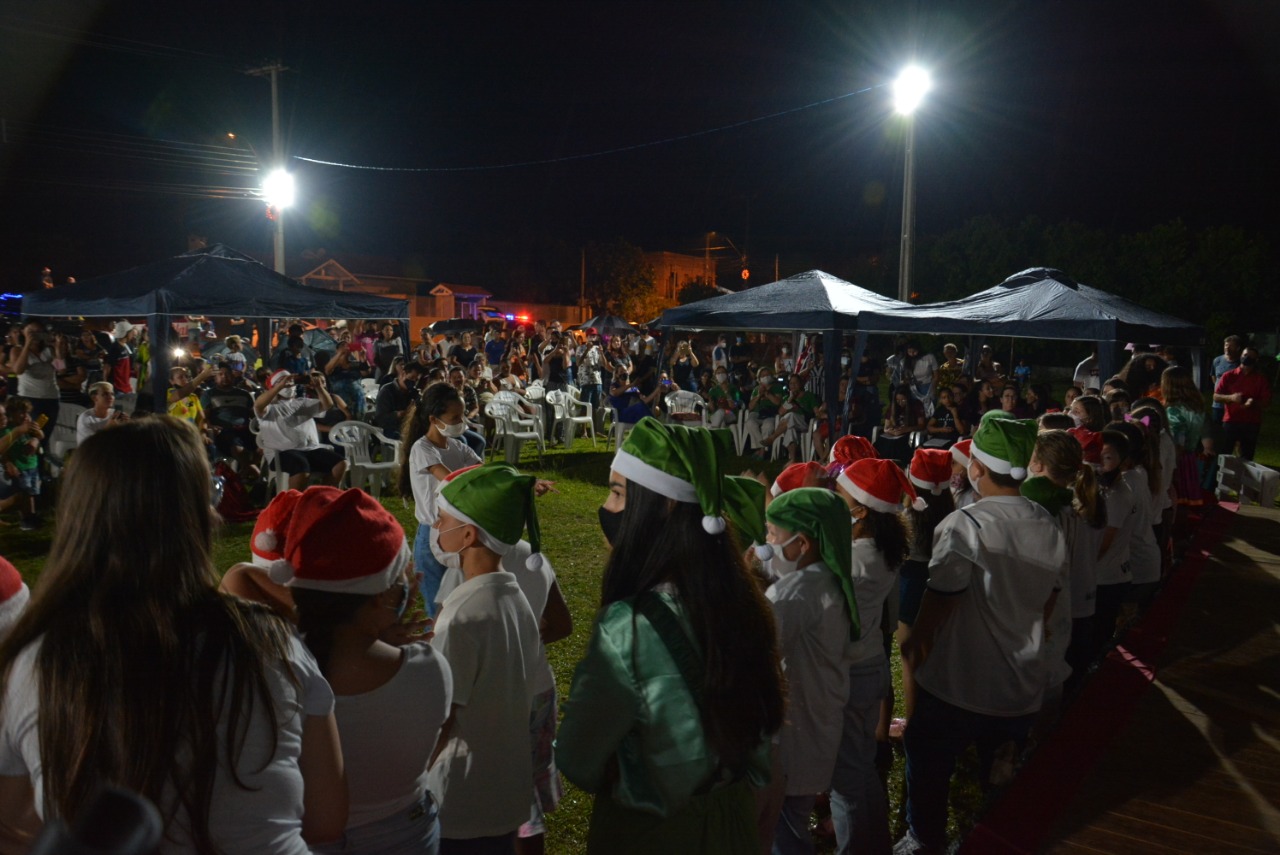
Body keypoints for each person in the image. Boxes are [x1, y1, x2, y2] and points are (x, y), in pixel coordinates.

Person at [0, 417, 347, 852]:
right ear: (194, 518)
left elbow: (13, 826)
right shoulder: (270, 641)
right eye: (211, 494)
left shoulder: (34, 660)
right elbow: (327, 819)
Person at [557, 418, 785, 853]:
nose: (607, 506)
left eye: (619, 492)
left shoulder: (629, 627)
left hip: (652, 831)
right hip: (732, 824)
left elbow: (578, 759)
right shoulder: (745, 604)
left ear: (662, 506)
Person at [896, 418, 1067, 855]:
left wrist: (917, 643)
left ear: (977, 468)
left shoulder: (964, 525)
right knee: (997, 776)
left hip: (959, 680)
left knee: (929, 761)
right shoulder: (1047, 522)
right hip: (1020, 681)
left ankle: (924, 837)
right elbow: (1048, 598)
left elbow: (940, 603)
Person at [272, 486, 452, 855]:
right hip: (406, 836)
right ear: (384, 597)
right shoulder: (428, 670)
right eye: (404, 577)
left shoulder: (274, 671)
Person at [427, 464, 545, 852]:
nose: (436, 526)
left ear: (468, 534)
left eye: (441, 519)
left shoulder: (463, 616)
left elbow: (441, 718)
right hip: (504, 794)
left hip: (462, 801)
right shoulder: (514, 598)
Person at [757, 487, 857, 854]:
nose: (766, 542)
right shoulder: (829, 580)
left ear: (802, 544)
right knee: (791, 821)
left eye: (772, 533)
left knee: (783, 833)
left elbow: (759, 654)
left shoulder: (795, 593)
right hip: (819, 726)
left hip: (793, 738)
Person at [831, 459, 918, 855]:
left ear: (861, 509)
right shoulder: (880, 549)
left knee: (845, 782)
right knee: (862, 768)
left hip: (849, 674)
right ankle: (877, 843)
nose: (835, 499)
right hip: (871, 668)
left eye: (841, 495)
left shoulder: (855, 559)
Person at [400, 382, 483, 616]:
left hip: (460, 533)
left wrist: (525, 482)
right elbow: (450, 481)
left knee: (462, 603)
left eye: (463, 415)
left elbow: (485, 473)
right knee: (437, 609)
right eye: (455, 417)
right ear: (434, 419)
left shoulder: (459, 447)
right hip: (432, 535)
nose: (462, 422)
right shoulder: (422, 449)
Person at [254, 368, 348, 491]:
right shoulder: (270, 407)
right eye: (282, 381)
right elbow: (258, 405)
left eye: (290, 380)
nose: (288, 384)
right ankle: (295, 503)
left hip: (309, 449)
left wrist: (319, 387)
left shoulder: (302, 402)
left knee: (340, 463)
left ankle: (320, 498)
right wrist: (279, 387)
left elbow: (327, 405)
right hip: (282, 452)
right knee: (301, 466)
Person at [6, 320, 62, 454]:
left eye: (38, 332)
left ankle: (41, 468)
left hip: (51, 399)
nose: (35, 335)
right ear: (23, 332)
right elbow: (18, 370)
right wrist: (27, 345)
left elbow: (61, 370)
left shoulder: (49, 350)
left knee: (43, 436)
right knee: (31, 435)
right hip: (30, 400)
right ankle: (28, 468)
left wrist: (58, 347)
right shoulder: (17, 350)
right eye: (31, 332)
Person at [1161, 366, 1208, 511]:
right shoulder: (1196, 406)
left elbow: (1178, 441)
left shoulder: (1174, 410)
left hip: (1178, 460)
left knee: (1174, 499)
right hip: (1190, 459)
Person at [1213, 346, 1271, 461]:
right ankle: (1220, 477)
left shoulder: (1260, 379)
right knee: (1224, 454)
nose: (1246, 358)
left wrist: (1253, 402)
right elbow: (1216, 396)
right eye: (1245, 355)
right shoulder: (1229, 375)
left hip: (1251, 422)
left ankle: (1242, 478)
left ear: (1256, 360)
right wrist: (1231, 397)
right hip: (1231, 420)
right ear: (1240, 356)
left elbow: (1266, 402)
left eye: (1250, 357)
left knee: (1247, 457)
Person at [0, 398, 44, 530]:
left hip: (30, 466)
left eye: (4, 414)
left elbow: (39, 436)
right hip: (20, 468)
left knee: (29, 493)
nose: (4, 418)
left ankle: (30, 517)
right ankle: (27, 518)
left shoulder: (18, 428)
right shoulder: (9, 431)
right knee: (23, 494)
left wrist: (35, 438)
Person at [375, 361, 424, 438]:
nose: (413, 382)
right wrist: (399, 414)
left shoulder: (413, 392)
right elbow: (380, 419)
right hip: (391, 429)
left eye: (416, 380)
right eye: (411, 378)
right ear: (403, 374)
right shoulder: (387, 391)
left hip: (410, 427)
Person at [744, 367, 784, 455]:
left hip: (770, 413)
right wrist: (759, 395)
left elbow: (777, 402)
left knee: (768, 426)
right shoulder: (756, 389)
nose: (765, 377)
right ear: (759, 379)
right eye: (763, 375)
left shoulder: (777, 387)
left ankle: (762, 451)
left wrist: (767, 393)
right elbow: (750, 407)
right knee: (749, 423)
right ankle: (762, 448)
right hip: (757, 413)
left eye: (767, 375)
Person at [75, 381, 128, 445]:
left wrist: (127, 425)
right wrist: (109, 427)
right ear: (94, 398)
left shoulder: (115, 414)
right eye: (105, 394)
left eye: (112, 394)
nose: (110, 397)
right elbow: (91, 445)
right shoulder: (86, 418)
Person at [1209, 335, 1243, 429]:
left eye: (1230, 346)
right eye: (1225, 345)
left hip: (1233, 404)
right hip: (1217, 404)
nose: (1227, 348)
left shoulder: (1241, 363)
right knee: (1216, 428)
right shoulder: (1217, 360)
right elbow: (1213, 375)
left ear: (1237, 348)